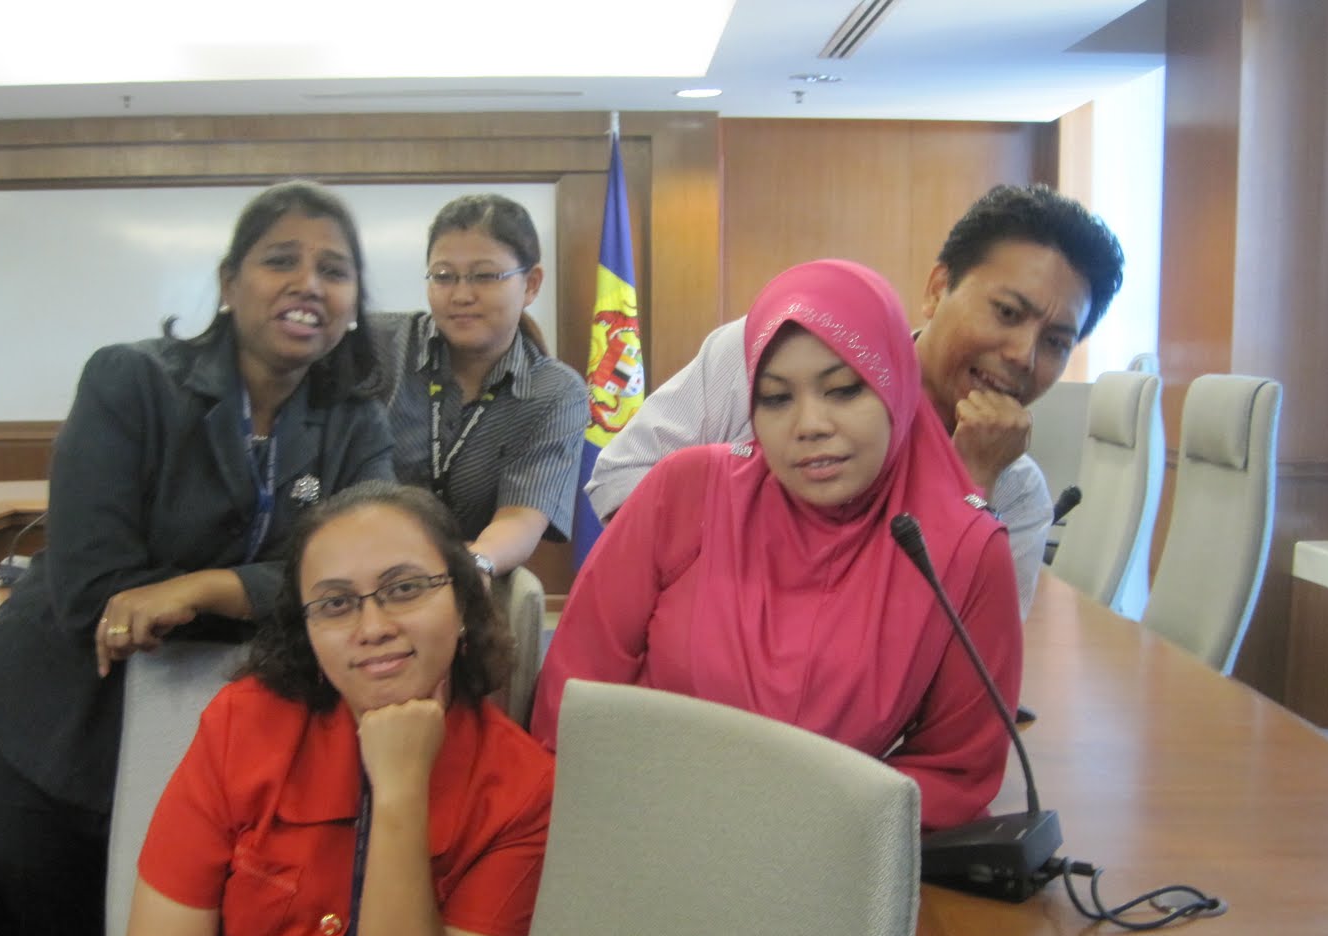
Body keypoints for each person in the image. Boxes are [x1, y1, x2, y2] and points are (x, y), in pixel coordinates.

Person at [0, 482, 554, 936]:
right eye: (337, 603)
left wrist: (401, 792)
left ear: (465, 606)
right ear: (308, 634)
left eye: (405, 588)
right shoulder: (243, 725)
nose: (372, 625)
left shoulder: (522, 789)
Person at [0, 180, 396, 936]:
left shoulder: (354, 421)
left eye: (334, 270)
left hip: (213, 744)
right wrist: (286, 592)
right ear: (229, 284)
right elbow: (97, 592)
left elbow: (361, 574)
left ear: (356, 302)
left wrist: (204, 589)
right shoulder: (132, 382)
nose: (308, 284)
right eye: (280, 261)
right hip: (54, 730)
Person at [533, 259, 1021, 831]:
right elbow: (574, 696)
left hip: (822, 857)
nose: (809, 425)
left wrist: (798, 822)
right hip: (637, 826)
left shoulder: (964, 547)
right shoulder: (686, 491)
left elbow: (958, 770)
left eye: (843, 390)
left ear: (897, 385)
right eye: (775, 399)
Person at [583, 183, 1125, 618]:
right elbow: (620, 479)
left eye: (1056, 342)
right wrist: (756, 583)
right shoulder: (770, 355)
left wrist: (968, 484)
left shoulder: (1014, 491)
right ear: (938, 289)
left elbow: (969, 657)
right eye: (1007, 312)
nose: (1022, 355)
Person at [369, 194, 587, 579]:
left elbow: (520, 517)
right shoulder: (380, 347)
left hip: (464, 579)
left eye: (485, 276)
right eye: (443, 276)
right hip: (359, 565)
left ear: (531, 284)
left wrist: (471, 567)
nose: (461, 295)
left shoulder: (554, 392)